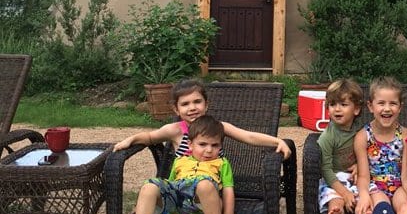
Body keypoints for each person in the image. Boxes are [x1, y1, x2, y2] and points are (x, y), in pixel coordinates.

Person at [125, 115, 245, 214]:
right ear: (190, 145)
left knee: (204, 189)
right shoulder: (180, 160)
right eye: (202, 144)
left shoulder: (221, 163)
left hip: (203, 208)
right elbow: (170, 185)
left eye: (215, 145)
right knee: (149, 187)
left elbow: (228, 190)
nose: (209, 150)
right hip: (178, 206)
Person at [113, 78, 292, 161]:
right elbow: (150, 137)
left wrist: (278, 141)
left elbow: (248, 137)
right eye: (185, 104)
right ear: (176, 109)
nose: (192, 108)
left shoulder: (218, 127)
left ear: (206, 105)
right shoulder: (175, 130)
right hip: (184, 189)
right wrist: (131, 139)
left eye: (197, 102)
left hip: (212, 188)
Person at [354, 76, 407, 214]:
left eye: (393, 103)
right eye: (381, 103)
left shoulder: (406, 135)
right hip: (376, 186)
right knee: (381, 206)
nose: (387, 108)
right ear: (370, 106)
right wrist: (364, 194)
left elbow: (406, 174)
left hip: (398, 185)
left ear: (400, 107)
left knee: (404, 207)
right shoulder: (363, 137)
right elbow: (364, 175)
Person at [317, 79, 364, 214]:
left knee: (368, 192)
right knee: (332, 196)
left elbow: (369, 151)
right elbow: (326, 170)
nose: (337, 109)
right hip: (334, 178)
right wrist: (344, 193)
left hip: (355, 176)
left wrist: (359, 165)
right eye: (332, 104)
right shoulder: (328, 137)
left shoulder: (360, 131)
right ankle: (337, 213)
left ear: (356, 109)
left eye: (343, 105)